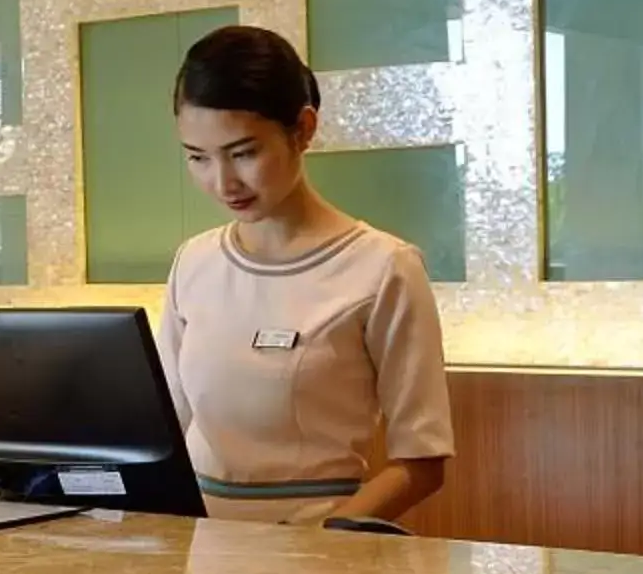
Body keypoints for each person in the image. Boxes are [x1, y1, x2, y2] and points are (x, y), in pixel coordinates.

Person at [160, 26, 454, 525]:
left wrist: (318, 544)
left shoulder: (384, 267)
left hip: (321, 566)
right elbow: (163, 433)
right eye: (198, 158)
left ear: (303, 129)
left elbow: (422, 462)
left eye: (244, 153)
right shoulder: (194, 261)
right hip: (197, 557)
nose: (223, 182)